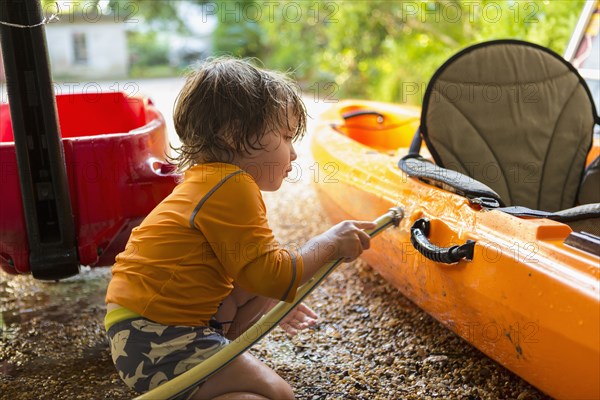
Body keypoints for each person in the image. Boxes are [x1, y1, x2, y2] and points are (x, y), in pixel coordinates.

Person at [104, 57, 376, 400]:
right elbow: (273, 276)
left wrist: (279, 296)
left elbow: (259, 275)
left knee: (262, 275)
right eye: (286, 136)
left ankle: (205, 375)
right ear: (234, 133)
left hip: (136, 332)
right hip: (156, 336)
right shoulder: (232, 184)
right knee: (277, 394)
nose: (293, 153)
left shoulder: (207, 180)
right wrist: (329, 243)